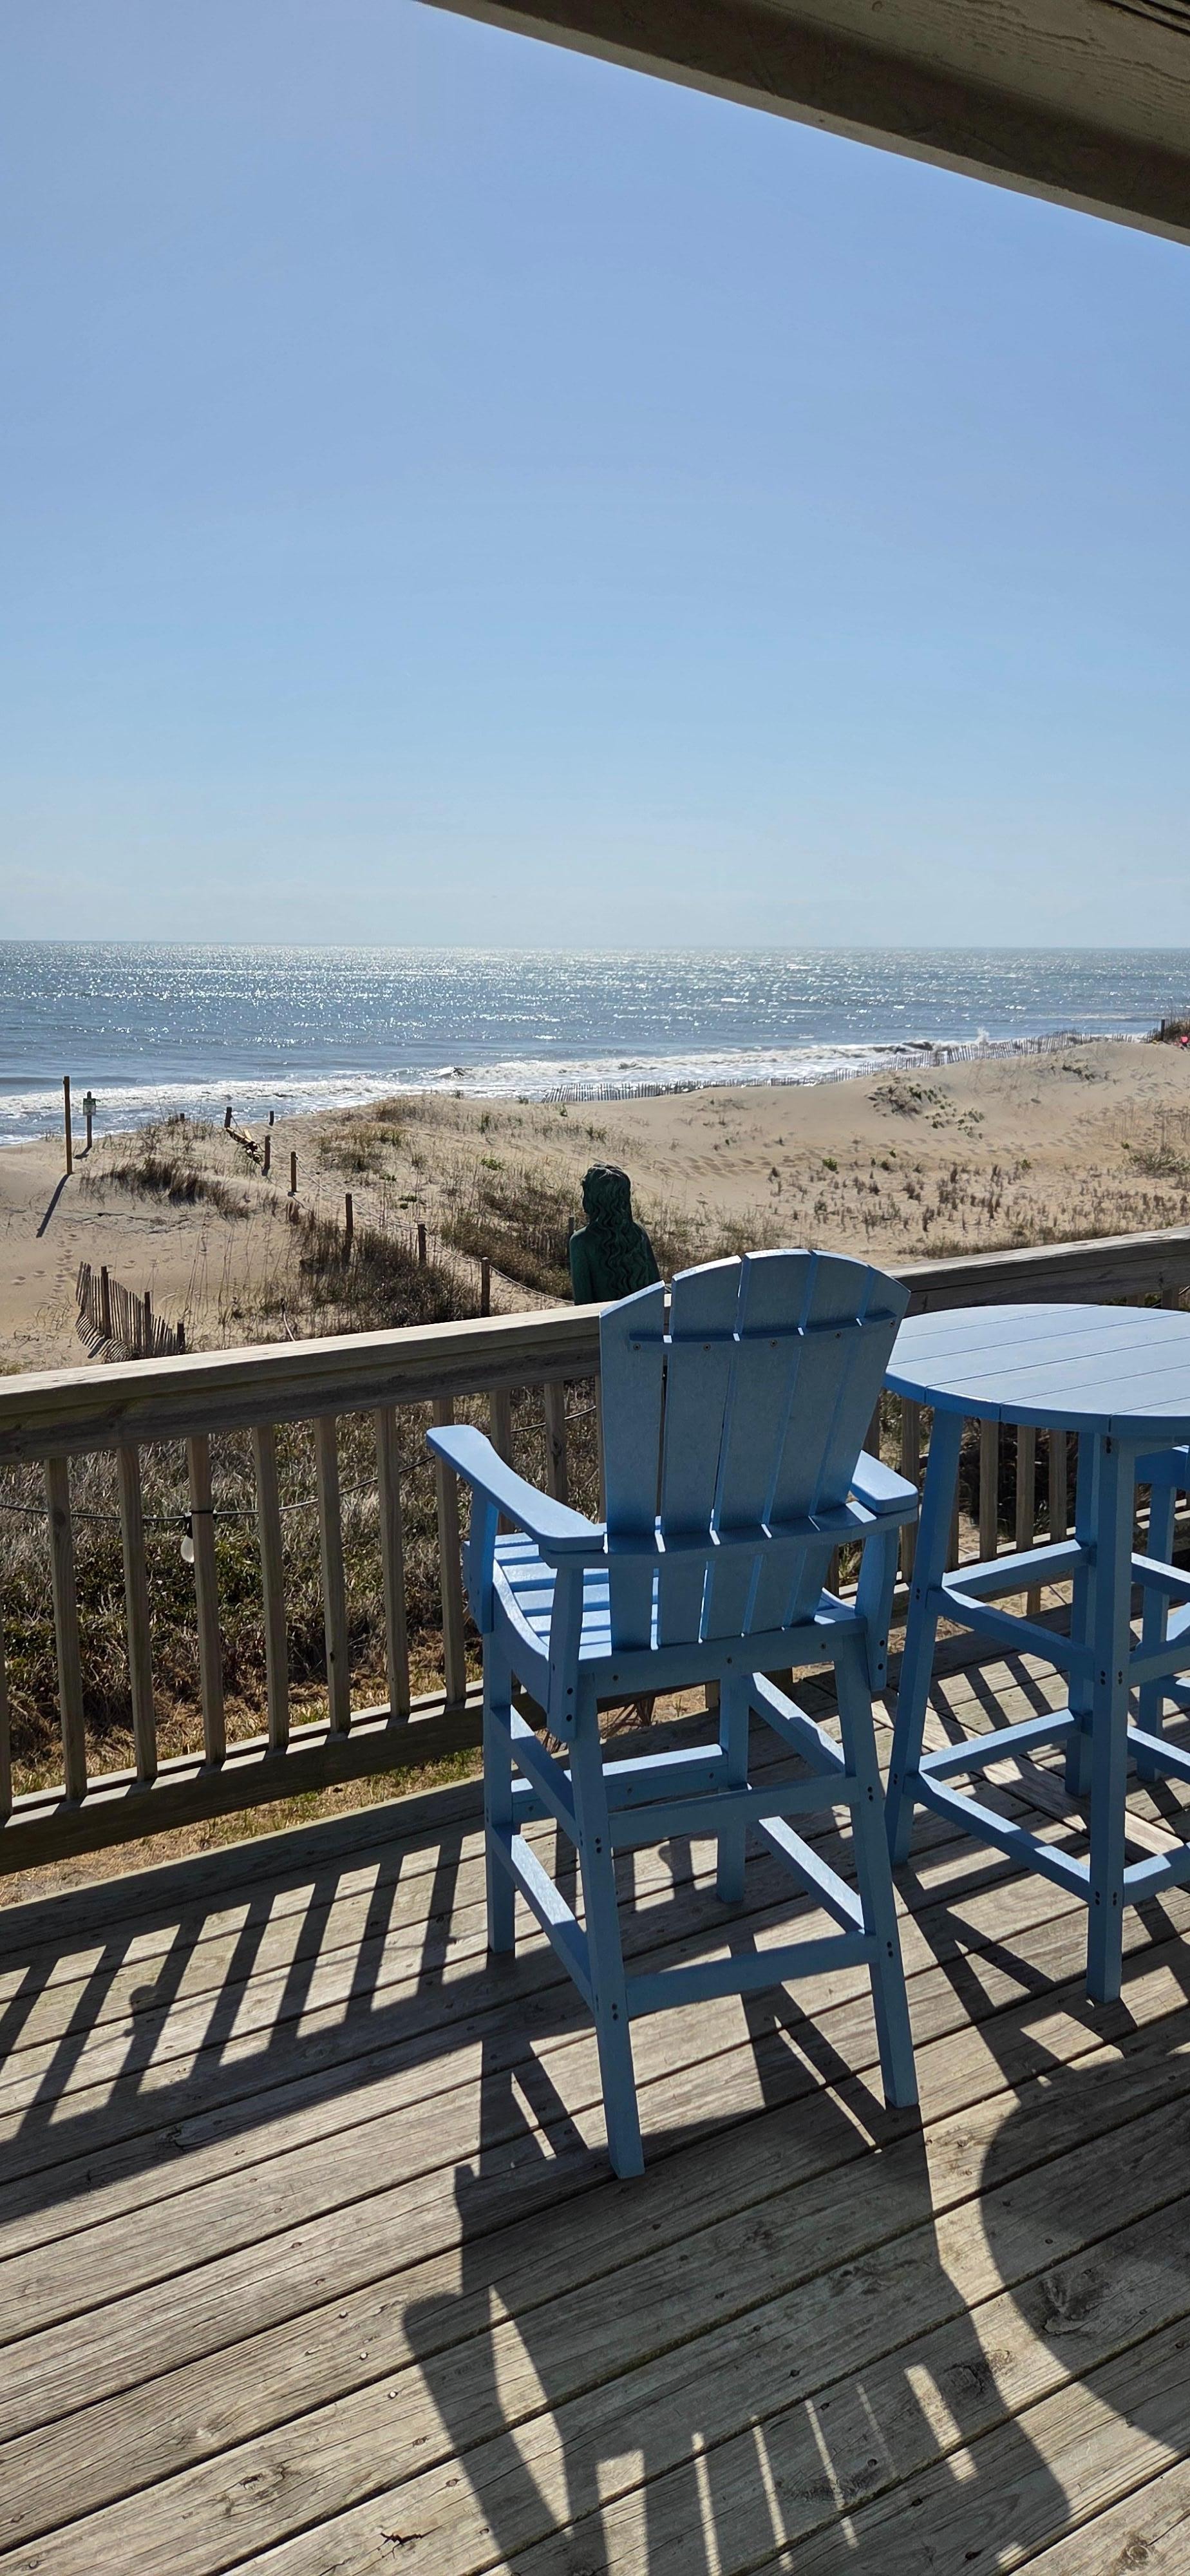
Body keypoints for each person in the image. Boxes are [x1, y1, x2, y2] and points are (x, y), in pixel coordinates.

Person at [569, 1164, 661, 1303]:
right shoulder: (639, 1232)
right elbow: (656, 1288)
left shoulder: (581, 1242)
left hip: (603, 1322)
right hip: (646, 1320)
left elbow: (583, 1302)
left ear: (592, 1198)